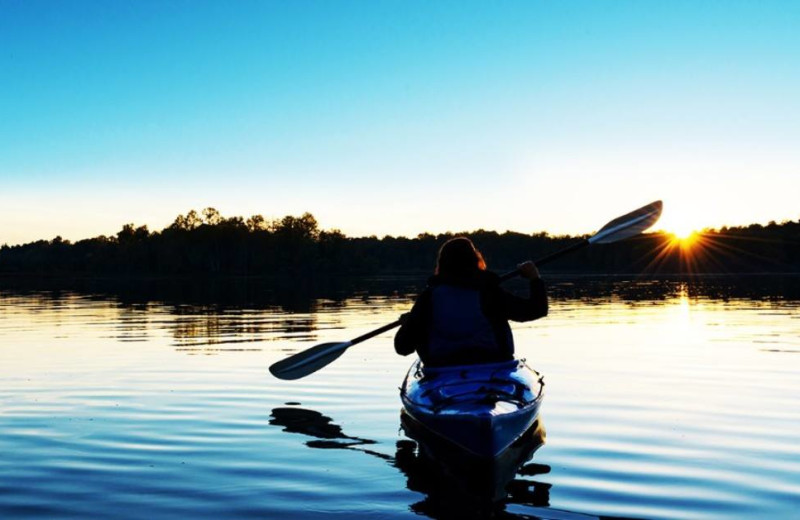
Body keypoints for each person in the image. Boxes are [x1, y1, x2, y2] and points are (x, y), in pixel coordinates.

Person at [395, 237, 548, 367]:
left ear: (441, 264)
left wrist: (407, 325)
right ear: (475, 260)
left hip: (441, 368)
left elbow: (403, 347)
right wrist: (534, 278)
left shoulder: (428, 299)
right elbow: (537, 309)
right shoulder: (490, 293)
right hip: (493, 365)